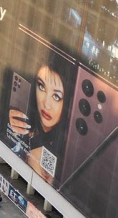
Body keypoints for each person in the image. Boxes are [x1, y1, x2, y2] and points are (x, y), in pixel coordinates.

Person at [6, 54, 74, 184]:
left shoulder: (65, 151)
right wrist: (9, 126)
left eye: (56, 96)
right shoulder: (24, 120)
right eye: (42, 87)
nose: (46, 104)